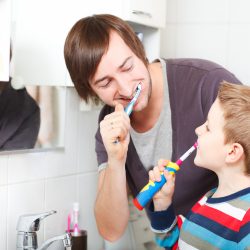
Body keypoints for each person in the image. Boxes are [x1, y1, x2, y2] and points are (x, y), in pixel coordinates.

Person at [64, 14, 242, 245]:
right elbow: (111, 231)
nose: (126, 89)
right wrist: (116, 161)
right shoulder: (109, 132)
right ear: (90, 90)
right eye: (105, 83)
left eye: (127, 67)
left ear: (139, 51)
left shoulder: (207, 83)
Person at [147, 82, 250, 249]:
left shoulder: (247, 218)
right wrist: (162, 204)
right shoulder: (207, 200)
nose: (198, 129)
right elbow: (176, 245)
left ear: (232, 152)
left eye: (208, 127)